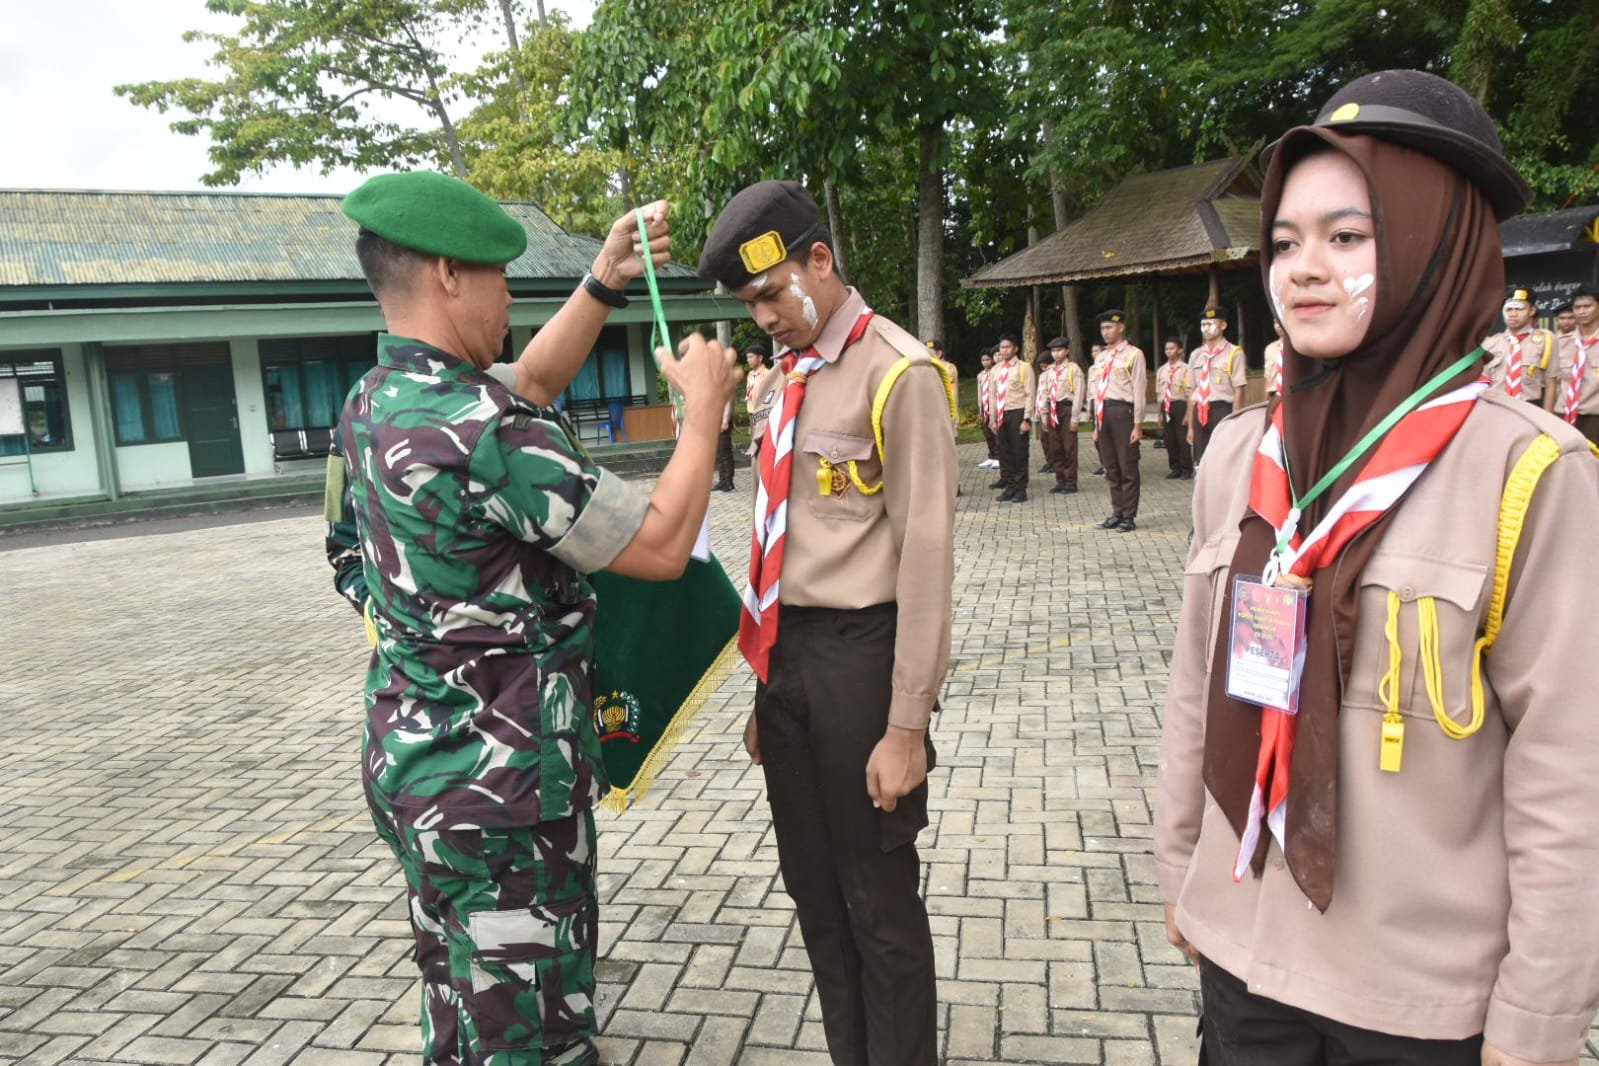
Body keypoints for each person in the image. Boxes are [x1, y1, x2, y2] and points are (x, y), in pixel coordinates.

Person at [1155, 69, 1599, 1066]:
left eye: (1347, 237)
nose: (1303, 269)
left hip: (1420, 1002)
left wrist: (1537, 1019)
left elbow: (1571, 778)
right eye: (1284, 242)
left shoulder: (1530, 474)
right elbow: (1195, 687)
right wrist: (1181, 867)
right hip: (1243, 956)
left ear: (1437, 245)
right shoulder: (1241, 455)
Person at [326, 171, 739, 1066]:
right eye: (498, 276)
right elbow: (663, 546)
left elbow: (534, 380)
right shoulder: (487, 431)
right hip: (504, 795)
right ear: (447, 274)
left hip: (419, 772)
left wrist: (605, 279)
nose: (510, 297)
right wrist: (705, 413)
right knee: (533, 1035)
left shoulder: (378, 401)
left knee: (462, 1001)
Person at [698, 179, 956, 1066]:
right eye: (748, 304)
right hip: (791, 664)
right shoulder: (787, 379)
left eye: (771, 294)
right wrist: (766, 686)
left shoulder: (898, 373)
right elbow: (782, 540)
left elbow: (925, 559)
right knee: (815, 896)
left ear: (819, 260)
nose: (764, 317)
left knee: (878, 905)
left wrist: (906, 726)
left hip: (862, 662)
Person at [1091, 310, 1147, 531]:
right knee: (1111, 467)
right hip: (1103, 413)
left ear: (1121, 327)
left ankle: (1129, 516)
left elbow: (1139, 390)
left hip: (1123, 412)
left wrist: (1138, 424)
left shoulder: (1134, 354)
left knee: (1127, 466)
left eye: (1109, 327)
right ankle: (1117, 512)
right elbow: (1097, 392)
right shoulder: (1101, 358)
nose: (1105, 332)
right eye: (1102, 328)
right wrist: (1096, 424)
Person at [1186, 304, 1247, 464]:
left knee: (1223, 457)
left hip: (1222, 409)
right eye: (1203, 324)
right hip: (1200, 410)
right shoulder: (1196, 354)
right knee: (1200, 459)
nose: (1206, 328)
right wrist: (1191, 426)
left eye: (1210, 324)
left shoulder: (1234, 352)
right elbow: (1192, 392)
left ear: (1223, 325)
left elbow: (1239, 390)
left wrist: (1236, 421)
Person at [1481, 287, 1557, 406]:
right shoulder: (1490, 343)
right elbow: (1483, 383)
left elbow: (1551, 383)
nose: (1513, 314)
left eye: (1519, 309)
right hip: (1497, 406)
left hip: (1530, 406)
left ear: (1532, 311)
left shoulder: (1545, 340)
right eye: (1509, 309)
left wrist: (1548, 416)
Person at [1549, 287, 1599, 444]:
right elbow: (1552, 382)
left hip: (1594, 416)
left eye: (1587, 306)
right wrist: (1548, 417)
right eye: (1577, 307)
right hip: (1563, 414)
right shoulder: (1561, 342)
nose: (1582, 311)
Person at [990, 334, 1035, 502]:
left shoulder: (1024, 367)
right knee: (1004, 452)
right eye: (1002, 347)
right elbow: (993, 396)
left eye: (1008, 347)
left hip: (1017, 412)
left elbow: (1030, 394)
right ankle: (1009, 486)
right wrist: (993, 418)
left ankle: (1020, 489)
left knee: (1019, 451)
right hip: (1001, 414)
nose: (1004, 350)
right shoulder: (996, 369)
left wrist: (1027, 419)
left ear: (1015, 348)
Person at [1040, 336, 1084, 493]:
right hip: (1052, 409)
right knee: (1055, 447)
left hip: (1067, 409)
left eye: (1059, 350)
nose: (1056, 354)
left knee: (1069, 447)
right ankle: (1060, 480)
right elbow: (1044, 393)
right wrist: (1044, 415)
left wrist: (1075, 418)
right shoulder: (1049, 371)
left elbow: (1079, 394)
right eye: (1053, 351)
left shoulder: (1073, 369)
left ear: (1066, 351)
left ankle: (1071, 482)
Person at [1156, 336, 1194, 479]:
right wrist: (1159, 414)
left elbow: (1190, 393)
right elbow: (1159, 394)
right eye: (1166, 349)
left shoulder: (1186, 369)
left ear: (1180, 350)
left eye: (1172, 348)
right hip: (1166, 405)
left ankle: (1186, 469)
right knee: (1169, 439)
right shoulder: (1162, 370)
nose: (1168, 351)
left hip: (1180, 405)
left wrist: (1188, 414)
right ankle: (1175, 467)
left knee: (1181, 439)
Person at [744, 342, 779, 459]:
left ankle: (765, 460)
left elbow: (771, 395)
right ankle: (756, 462)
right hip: (751, 411)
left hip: (762, 413)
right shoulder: (750, 374)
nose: (748, 360)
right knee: (753, 439)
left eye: (751, 357)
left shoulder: (767, 374)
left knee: (763, 439)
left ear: (760, 358)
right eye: (747, 357)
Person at [1034, 350, 1056, 473]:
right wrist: (1038, 409)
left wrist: (1044, 412)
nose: (1043, 368)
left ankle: (1056, 462)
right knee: (1044, 438)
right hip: (1043, 409)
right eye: (1041, 366)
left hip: (1051, 409)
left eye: (1045, 365)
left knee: (1052, 438)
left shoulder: (1053, 373)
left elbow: (1047, 394)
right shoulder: (1042, 375)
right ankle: (1050, 461)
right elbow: (1040, 394)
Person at [977, 349, 999, 469]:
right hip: (984, 407)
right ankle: (992, 456)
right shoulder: (980, 375)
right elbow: (979, 393)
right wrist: (980, 410)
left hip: (994, 407)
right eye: (983, 360)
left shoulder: (995, 372)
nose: (985, 362)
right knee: (988, 433)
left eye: (988, 359)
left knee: (996, 433)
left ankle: (998, 457)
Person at [1263, 321, 1286, 399]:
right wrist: (1265, 401)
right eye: (1276, 322)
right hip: (1274, 395)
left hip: (1295, 395)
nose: (1278, 325)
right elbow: (1268, 378)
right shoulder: (1270, 348)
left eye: (1281, 320)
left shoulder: (1300, 348)